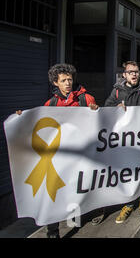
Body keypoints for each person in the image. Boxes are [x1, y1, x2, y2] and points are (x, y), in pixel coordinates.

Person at [16, 63, 98, 238]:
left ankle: (76, 214)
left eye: (70, 79)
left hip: (80, 154)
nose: (68, 83)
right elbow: (41, 126)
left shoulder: (87, 99)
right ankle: (52, 231)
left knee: (77, 187)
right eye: (63, 80)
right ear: (55, 83)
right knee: (52, 193)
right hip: (58, 156)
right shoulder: (51, 103)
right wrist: (22, 120)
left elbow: (99, 123)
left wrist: (96, 111)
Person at [105, 42, 140, 224]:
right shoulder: (117, 92)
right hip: (126, 141)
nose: (134, 74)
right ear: (125, 75)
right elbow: (106, 109)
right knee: (128, 171)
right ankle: (128, 204)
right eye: (130, 72)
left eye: (136, 72)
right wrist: (116, 108)